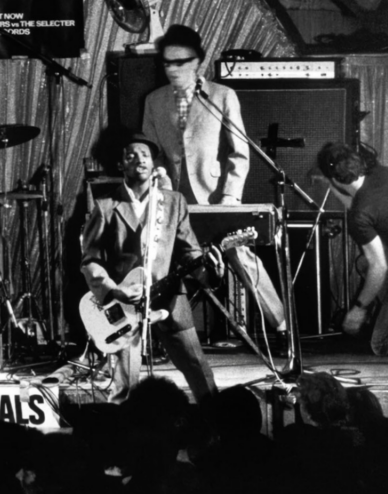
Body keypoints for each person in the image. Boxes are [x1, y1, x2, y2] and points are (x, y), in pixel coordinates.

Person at [142, 25, 289, 351]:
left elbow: (239, 152)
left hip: (216, 197)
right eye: (167, 63)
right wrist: (159, 178)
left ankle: (281, 328)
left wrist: (229, 197)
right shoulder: (153, 101)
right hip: (173, 201)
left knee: (240, 255)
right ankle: (158, 336)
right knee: (158, 259)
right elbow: (151, 152)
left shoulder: (221, 96)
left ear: (198, 62)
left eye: (181, 62)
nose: (173, 69)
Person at [80, 134, 222, 403]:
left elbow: (189, 251)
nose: (140, 159)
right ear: (120, 165)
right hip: (125, 306)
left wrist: (210, 271)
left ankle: (216, 422)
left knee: (199, 370)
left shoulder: (174, 202)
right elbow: (90, 260)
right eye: (131, 155)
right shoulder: (106, 206)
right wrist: (114, 290)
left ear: (153, 163)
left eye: (145, 154)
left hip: (169, 299)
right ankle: (125, 428)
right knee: (125, 386)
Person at [317, 143, 388, 355]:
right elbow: (360, 202)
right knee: (366, 263)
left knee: (381, 343)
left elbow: (379, 267)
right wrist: (331, 184)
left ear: (336, 179)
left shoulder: (360, 215)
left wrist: (359, 308)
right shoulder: (380, 173)